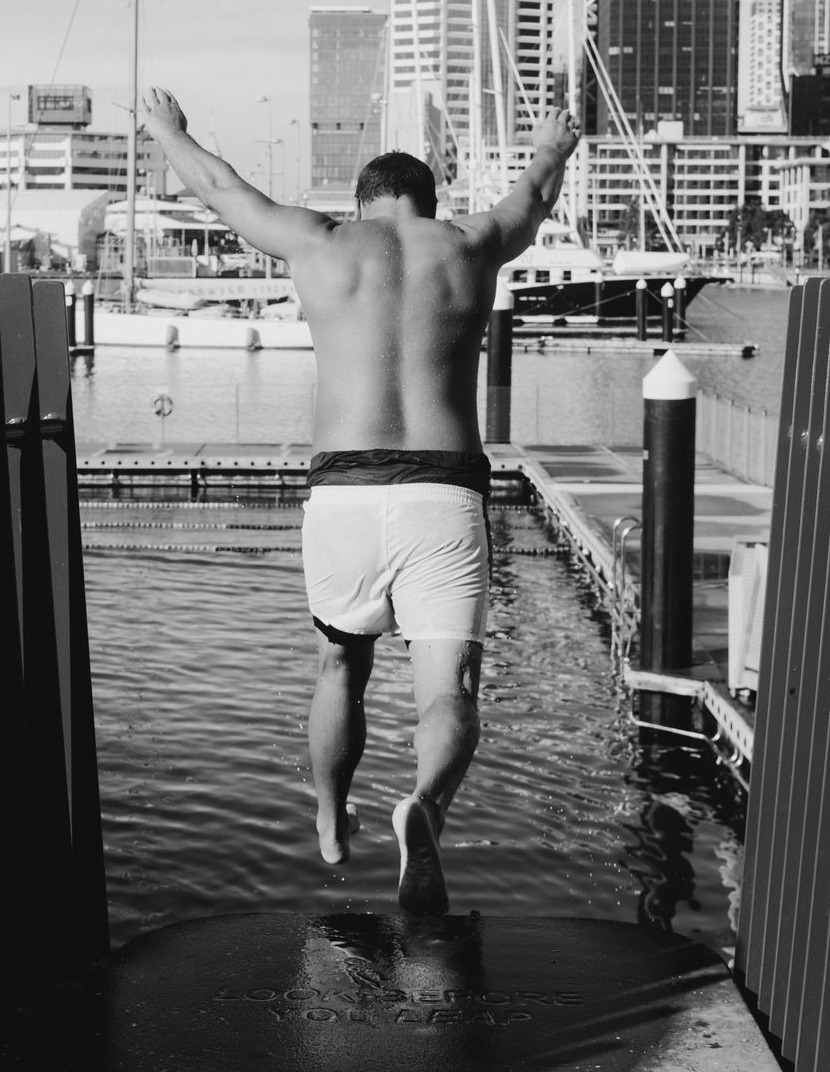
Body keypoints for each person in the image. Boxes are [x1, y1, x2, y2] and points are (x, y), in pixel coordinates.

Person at [141, 87, 579, 914]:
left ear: (364, 201)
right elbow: (533, 196)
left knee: (340, 666)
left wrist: (169, 129)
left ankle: (330, 815)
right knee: (449, 689)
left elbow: (220, 189)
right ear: (428, 201)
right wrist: (556, 143)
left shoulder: (323, 241)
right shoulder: (470, 243)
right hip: (442, 491)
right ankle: (425, 808)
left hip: (343, 491)